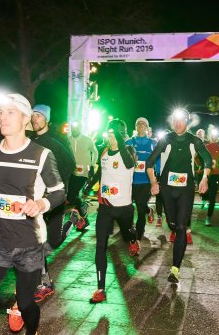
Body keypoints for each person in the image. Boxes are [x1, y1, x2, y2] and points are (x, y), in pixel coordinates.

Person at [0, 93, 66, 334]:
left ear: (26, 120)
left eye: (10, 112)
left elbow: (59, 192)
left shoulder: (41, 155)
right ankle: (11, 304)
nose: (2, 117)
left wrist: (41, 204)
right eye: (1, 112)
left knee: (27, 304)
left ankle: (30, 327)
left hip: (29, 244)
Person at [146, 109, 212, 283]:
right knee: (173, 224)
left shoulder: (194, 140)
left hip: (186, 189)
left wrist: (204, 178)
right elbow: (150, 162)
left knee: (182, 226)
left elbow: (207, 159)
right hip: (167, 189)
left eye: (181, 120)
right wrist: (154, 182)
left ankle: (175, 269)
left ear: (187, 122)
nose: (177, 124)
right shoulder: (166, 139)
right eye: (175, 120)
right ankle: (174, 227)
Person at [29, 104, 77, 303]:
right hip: (36, 200)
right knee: (37, 242)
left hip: (54, 199)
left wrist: (56, 188)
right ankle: (45, 282)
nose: (35, 119)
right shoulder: (31, 140)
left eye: (39, 116)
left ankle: (72, 220)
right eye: (32, 115)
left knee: (53, 241)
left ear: (46, 119)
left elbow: (70, 165)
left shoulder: (55, 141)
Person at [89, 119, 138, 304]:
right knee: (100, 245)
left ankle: (133, 239)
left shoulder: (129, 152)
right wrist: (90, 182)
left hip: (124, 208)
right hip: (106, 207)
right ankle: (101, 288)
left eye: (113, 135)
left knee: (127, 234)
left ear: (121, 135)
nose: (110, 138)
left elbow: (126, 162)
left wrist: (120, 137)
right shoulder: (104, 152)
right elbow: (102, 172)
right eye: (108, 135)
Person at [125, 117, 157, 240]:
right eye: (139, 124)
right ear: (136, 127)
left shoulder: (153, 143)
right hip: (131, 181)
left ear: (147, 127)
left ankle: (138, 234)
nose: (141, 126)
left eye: (144, 124)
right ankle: (149, 211)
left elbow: (158, 161)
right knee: (130, 206)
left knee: (140, 205)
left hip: (146, 181)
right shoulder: (129, 142)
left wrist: (156, 178)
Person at [68, 121, 99, 229]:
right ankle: (83, 213)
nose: (74, 129)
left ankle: (82, 218)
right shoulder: (68, 140)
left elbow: (95, 152)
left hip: (84, 172)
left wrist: (91, 165)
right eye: (73, 127)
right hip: (71, 172)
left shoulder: (87, 140)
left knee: (74, 194)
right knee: (70, 196)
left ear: (80, 128)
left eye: (76, 127)